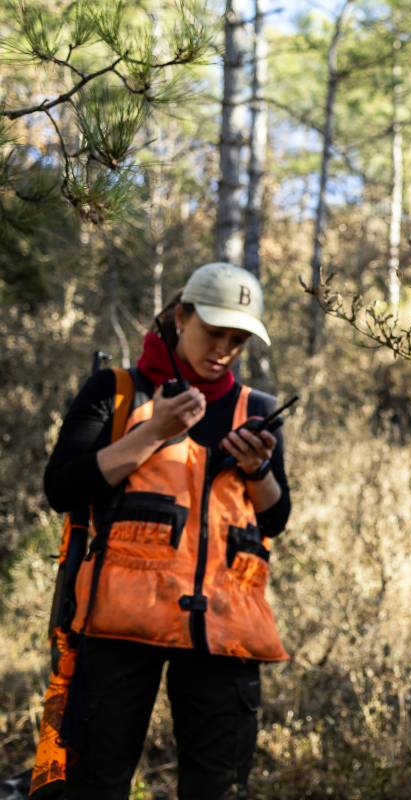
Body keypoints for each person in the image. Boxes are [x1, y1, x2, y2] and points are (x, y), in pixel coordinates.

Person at [41, 262, 291, 799]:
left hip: (224, 631)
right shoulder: (117, 391)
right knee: (96, 786)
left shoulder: (258, 410)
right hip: (118, 625)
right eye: (214, 332)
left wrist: (259, 470)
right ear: (180, 317)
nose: (224, 349)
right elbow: (62, 488)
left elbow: (275, 519)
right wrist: (154, 431)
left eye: (239, 340)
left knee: (216, 789)